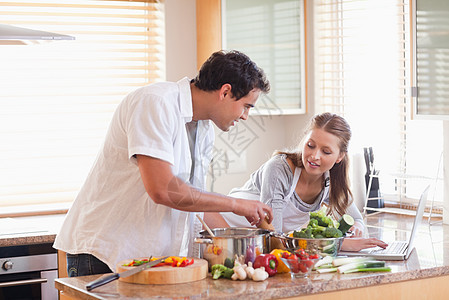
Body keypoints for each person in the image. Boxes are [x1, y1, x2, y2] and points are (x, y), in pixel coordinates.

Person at [53, 50, 273, 277]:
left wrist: (241, 247)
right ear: (225, 91)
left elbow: (193, 202)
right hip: (103, 254)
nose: (246, 116)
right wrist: (236, 204)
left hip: (145, 261)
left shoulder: (204, 128)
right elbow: (163, 190)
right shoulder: (155, 103)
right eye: (247, 106)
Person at [214, 112, 387, 252]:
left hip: (254, 244)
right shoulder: (279, 169)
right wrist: (340, 244)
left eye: (326, 151)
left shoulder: (331, 183)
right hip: (220, 228)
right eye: (310, 145)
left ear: (339, 157)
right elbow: (275, 235)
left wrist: (356, 226)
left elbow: (357, 218)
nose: (314, 156)